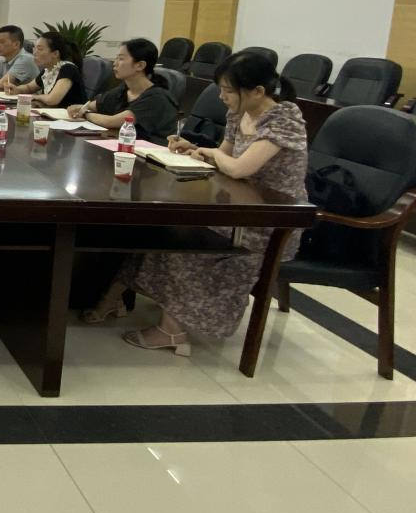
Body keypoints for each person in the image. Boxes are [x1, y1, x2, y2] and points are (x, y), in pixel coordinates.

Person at [81, 51, 308, 355]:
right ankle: (113, 299)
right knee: (158, 229)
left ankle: (171, 331)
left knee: (186, 244)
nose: (222, 97)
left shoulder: (284, 119)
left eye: (229, 91)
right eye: (222, 89)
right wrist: (197, 149)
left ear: (257, 91)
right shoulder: (240, 113)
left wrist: (211, 154)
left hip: (268, 220)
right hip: (235, 204)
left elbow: (239, 168)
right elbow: (225, 155)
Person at [67, 38, 177, 144]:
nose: (115, 63)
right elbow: (95, 104)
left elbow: (111, 121)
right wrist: (80, 107)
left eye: (121, 59)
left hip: (151, 153)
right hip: (126, 147)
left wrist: (85, 113)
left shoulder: (157, 97)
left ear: (140, 65)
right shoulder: (124, 90)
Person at [11, 31, 86, 107]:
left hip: (71, 114)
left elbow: (52, 100)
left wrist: (35, 97)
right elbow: (29, 88)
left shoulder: (68, 68)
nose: (34, 53)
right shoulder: (47, 70)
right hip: (53, 112)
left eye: (40, 49)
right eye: (34, 48)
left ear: (55, 54)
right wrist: (17, 89)